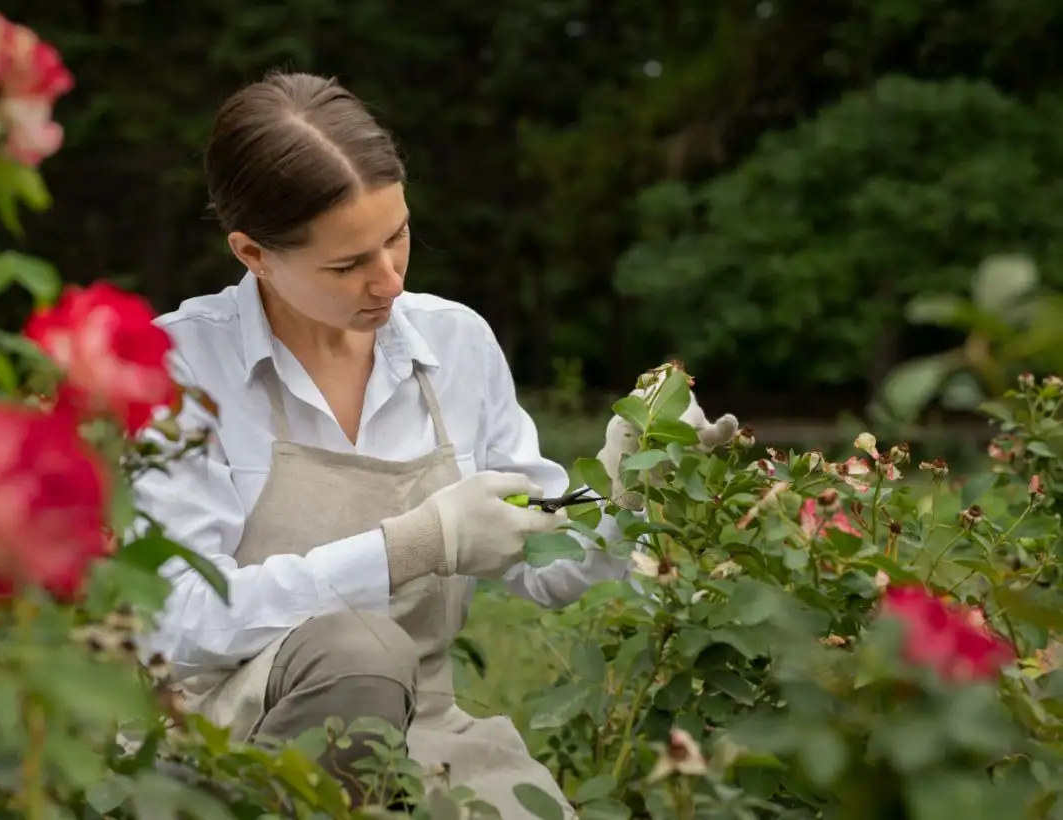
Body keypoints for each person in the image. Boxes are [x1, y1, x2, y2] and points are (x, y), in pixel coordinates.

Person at [132, 71, 701, 816]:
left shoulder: (454, 344)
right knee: (358, 652)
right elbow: (179, 624)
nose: (389, 280)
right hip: (225, 730)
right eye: (347, 264)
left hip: (429, 730)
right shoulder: (181, 369)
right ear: (253, 254)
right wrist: (412, 546)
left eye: (397, 236)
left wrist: (632, 491)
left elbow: (546, 568)